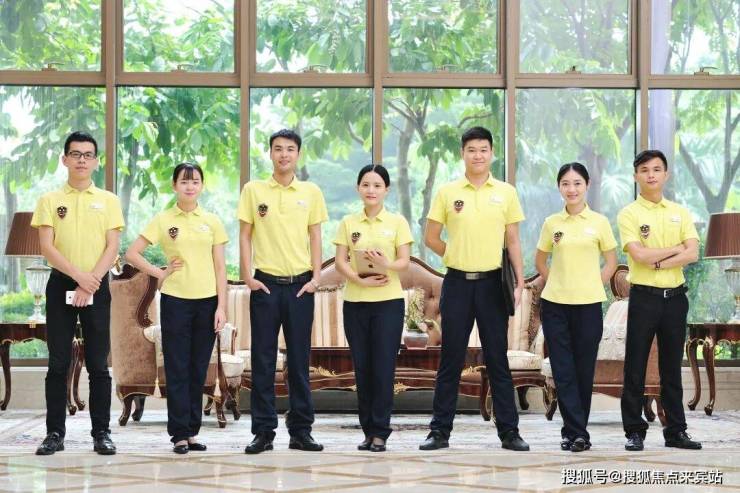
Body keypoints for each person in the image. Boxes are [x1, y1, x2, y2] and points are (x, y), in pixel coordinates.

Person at [419, 126, 530, 452]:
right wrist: (453, 254)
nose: (477, 155)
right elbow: (431, 238)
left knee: (497, 358)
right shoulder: (448, 192)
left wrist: (520, 281)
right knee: (451, 358)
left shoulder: (506, 192)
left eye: (483, 149)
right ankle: (439, 432)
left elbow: (513, 240)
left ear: (491, 153)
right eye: (471, 150)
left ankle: (509, 432)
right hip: (456, 284)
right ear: (462, 154)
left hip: (493, 285)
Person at [125, 162, 228, 454]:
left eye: (195, 181)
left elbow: (220, 268)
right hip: (175, 302)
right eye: (184, 181)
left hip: (207, 303)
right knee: (177, 367)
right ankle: (179, 435)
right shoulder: (163, 219)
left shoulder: (212, 221)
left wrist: (222, 307)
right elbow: (132, 253)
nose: (190, 186)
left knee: (198, 369)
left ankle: (192, 432)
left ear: (202, 186)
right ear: (174, 186)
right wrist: (160, 272)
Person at [32, 131, 123, 455]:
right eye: (75, 154)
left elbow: (113, 246)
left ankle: (102, 433)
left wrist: (90, 281)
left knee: (98, 364)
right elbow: (47, 247)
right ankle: (54, 434)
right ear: (65, 159)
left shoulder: (109, 200)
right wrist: (78, 278)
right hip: (61, 285)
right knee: (58, 363)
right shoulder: (49, 200)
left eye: (87, 155)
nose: (81, 160)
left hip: (97, 285)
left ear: (96, 161)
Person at [238, 129, 328, 454]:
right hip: (265, 285)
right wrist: (248, 277)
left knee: (299, 361)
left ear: (298, 154)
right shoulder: (254, 190)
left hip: (301, 287)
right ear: (270, 153)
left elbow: (316, 236)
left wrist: (316, 278)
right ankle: (263, 432)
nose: (284, 154)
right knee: (263, 361)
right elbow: (245, 235)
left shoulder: (311, 192)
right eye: (278, 149)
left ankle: (301, 431)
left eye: (290, 149)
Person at [618, 150, 702, 451]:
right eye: (644, 170)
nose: (651, 174)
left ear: (666, 174)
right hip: (644, 297)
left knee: (671, 368)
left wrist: (658, 260)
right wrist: (675, 249)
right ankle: (634, 431)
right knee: (635, 366)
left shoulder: (680, 212)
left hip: (676, 299)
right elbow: (638, 255)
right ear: (636, 176)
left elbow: (693, 253)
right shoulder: (629, 214)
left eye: (656, 169)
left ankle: (676, 431)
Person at [534, 163, 617, 452]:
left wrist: (593, 283)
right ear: (559, 187)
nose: (572, 189)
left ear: (587, 185)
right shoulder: (551, 223)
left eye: (577, 183)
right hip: (555, 305)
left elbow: (611, 262)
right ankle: (578, 433)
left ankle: (573, 432)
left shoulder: (600, 222)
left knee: (583, 370)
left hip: (589, 305)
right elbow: (540, 261)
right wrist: (558, 281)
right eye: (566, 184)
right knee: (563, 369)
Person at [333, 164, 413, 452]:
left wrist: (385, 264)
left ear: (386, 190)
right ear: (358, 188)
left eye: (377, 185)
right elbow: (340, 261)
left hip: (388, 304)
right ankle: (367, 431)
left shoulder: (397, 222)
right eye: (366, 185)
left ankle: (380, 432)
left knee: (383, 368)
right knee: (362, 369)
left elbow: (404, 261)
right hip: (355, 303)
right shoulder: (348, 223)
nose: (371, 190)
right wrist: (358, 279)